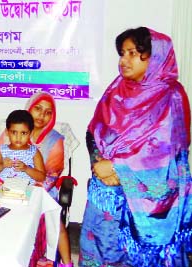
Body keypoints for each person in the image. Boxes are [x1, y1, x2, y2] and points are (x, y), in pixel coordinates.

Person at [79, 27, 192, 267]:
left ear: (156, 57)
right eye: (122, 53)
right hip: (107, 195)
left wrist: (117, 167)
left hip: (149, 200)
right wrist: (98, 164)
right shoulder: (116, 90)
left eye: (132, 53)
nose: (123, 60)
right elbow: (94, 130)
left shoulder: (171, 95)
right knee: (101, 253)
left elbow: (166, 151)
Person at [0, 92, 73, 267]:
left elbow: (51, 175)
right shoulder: (10, 134)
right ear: (29, 108)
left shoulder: (55, 140)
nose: (42, 116)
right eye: (38, 109)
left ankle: (66, 263)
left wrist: (29, 185)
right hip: (10, 188)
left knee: (53, 221)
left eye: (48, 112)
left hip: (42, 189)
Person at [0, 109, 46, 184]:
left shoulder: (34, 152)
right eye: (14, 132)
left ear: (30, 134)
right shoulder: (2, 150)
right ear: (7, 132)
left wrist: (26, 168)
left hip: (25, 191)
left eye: (23, 133)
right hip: (3, 190)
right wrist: (2, 165)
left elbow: (42, 177)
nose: (18, 137)